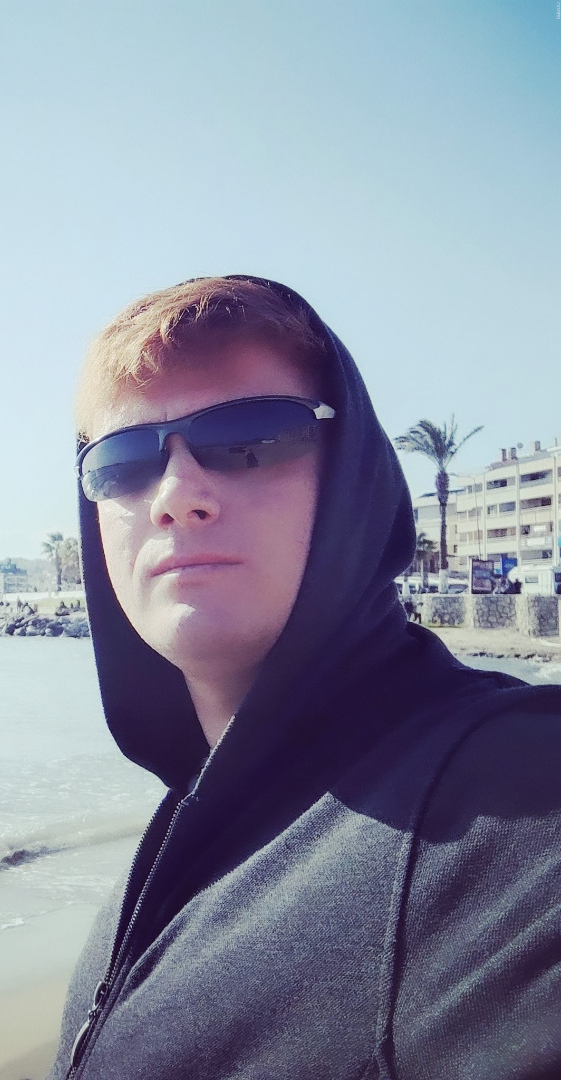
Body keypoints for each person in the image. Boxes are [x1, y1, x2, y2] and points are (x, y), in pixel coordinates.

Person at [49, 276, 561, 1079]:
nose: (176, 496)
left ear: (355, 481)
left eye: (249, 438)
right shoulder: (188, 827)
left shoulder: (511, 799)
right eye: (123, 463)